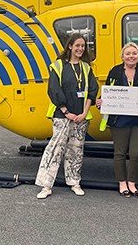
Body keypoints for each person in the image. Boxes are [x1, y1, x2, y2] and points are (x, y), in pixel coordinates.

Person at [35, 33, 98, 199]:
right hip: (62, 115)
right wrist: (66, 112)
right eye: (77, 45)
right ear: (70, 46)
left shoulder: (86, 67)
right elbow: (54, 90)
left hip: (81, 116)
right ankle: (46, 185)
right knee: (55, 149)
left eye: (83, 46)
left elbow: (92, 91)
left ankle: (74, 182)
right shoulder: (58, 66)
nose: (80, 49)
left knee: (76, 150)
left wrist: (84, 113)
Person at [96, 42, 138, 198]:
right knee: (120, 152)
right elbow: (107, 92)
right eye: (128, 53)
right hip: (119, 120)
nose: (131, 56)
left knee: (136, 153)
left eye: (134, 53)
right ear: (123, 56)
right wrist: (100, 101)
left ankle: (132, 183)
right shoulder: (114, 72)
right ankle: (122, 183)